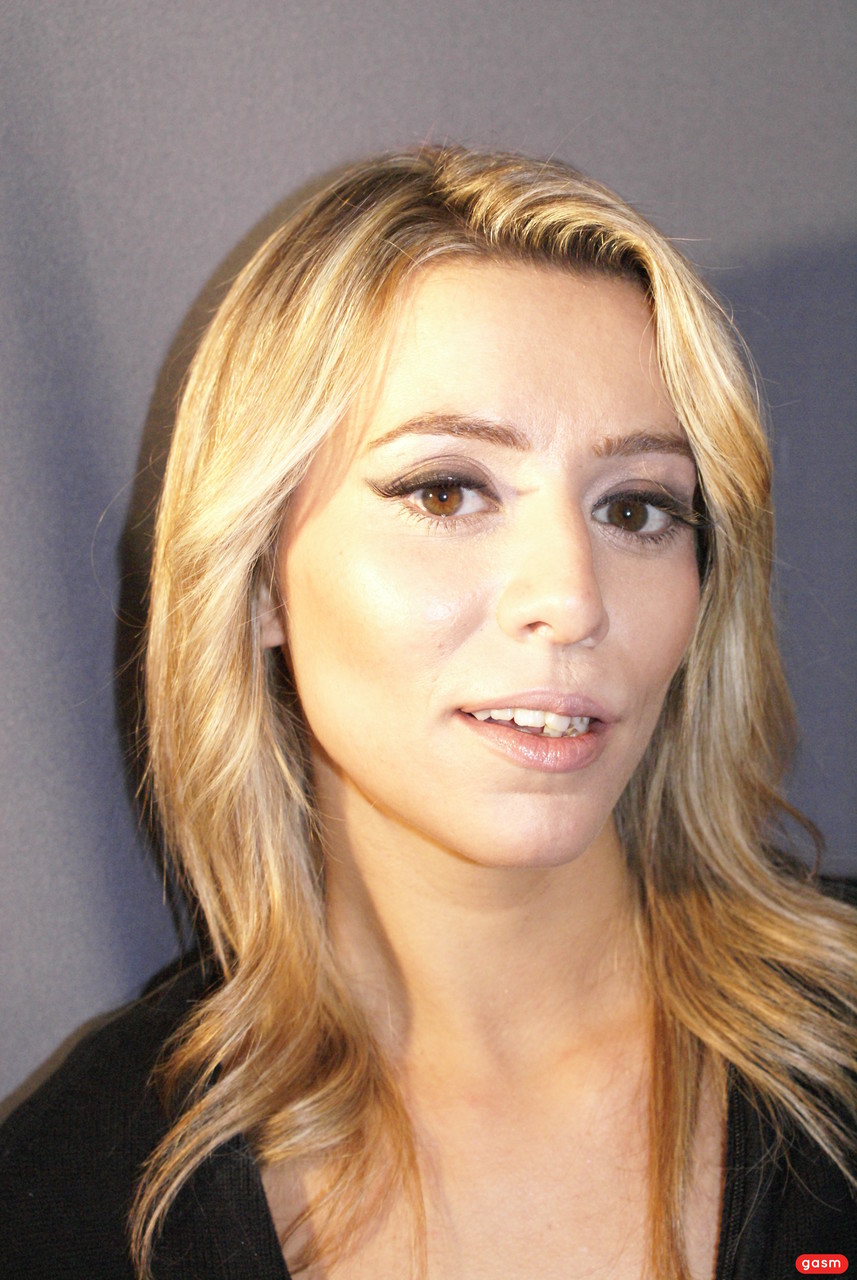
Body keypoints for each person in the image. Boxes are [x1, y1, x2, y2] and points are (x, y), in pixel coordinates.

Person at [1, 145, 855, 1280]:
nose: (569, 598)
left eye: (635, 508)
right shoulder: (69, 1196)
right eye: (444, 491)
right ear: (259, 579)